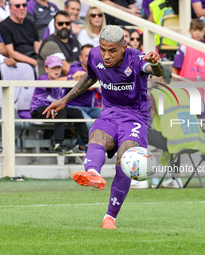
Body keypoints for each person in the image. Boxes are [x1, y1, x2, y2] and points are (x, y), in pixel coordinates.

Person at [43, 25, 165, 228]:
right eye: (103, 49)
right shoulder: (94, 55)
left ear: (123, 47)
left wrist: (157, 63)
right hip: (109, 112)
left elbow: (157, 71)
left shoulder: (136, 59)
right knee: (97, 137)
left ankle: (110, 217)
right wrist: (65, 99)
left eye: (112, 50)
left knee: (125, 159)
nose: (106, 55)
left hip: (135, 117)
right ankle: (93, 174)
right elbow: (90, 76)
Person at [148, 70, 205, 188]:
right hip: (194, 141)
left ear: (160, 77)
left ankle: (139, 179)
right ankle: (175, 178)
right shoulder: (182, 92)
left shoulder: (156, 93)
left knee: (138, 133)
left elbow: (147, 119)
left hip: (175, 141)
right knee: (177, 136)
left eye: (151, 75)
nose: (149, 78)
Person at [31, 55, 88, 154]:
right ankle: (58, 144)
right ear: (46, 69)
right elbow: (50, 83)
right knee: (60, 110)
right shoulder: (42, 79)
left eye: (58, 67)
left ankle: (87, 143)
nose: (56, 70)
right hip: (39, 110)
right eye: (53, 68)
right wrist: (72, 76)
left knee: (76, 112)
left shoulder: (64, 80)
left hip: (56, 109)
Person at [65, 44, 102, 152]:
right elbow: (88, 86)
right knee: (89, 122)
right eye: (87, 56)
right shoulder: (74, 69)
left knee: (110, 116)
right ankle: (81, 147)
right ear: (80, 58)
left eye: (92, 56)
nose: (90, 58)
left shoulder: (98, 68)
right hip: (74, 107)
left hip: (91, 107)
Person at [0, 0, 41, 67]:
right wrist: (34, 62)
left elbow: (37, 49)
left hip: (34, 57)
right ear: (10, 8)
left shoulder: (31, 23)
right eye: (17, 6)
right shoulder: (4, 25)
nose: (22, 8)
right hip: (19, 62)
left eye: (24, 5)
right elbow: (11, 53)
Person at [37, 10, 80, 77]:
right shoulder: (49, 44)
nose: (64, 26)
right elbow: (66, 69)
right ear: (54, 24)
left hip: (74, 83)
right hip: (52, 86)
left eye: (67, 23)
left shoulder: (75, 42)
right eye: (60, 24)